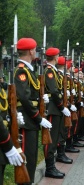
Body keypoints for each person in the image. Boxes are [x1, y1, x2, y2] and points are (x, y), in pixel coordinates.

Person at [14, 38, 52, 183]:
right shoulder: (21, 71)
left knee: (32, 157)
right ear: (30, 51)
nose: (35, 51)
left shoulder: (29, 70)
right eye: (35, 49)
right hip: (27, 120)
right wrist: (38, 117)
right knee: (27, 159)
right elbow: (24, 98)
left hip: (31, 120)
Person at [43, 48, 71, 179]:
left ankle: (52, 165)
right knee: (51, 139)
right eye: (58, 55)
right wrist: (61, 107)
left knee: (56, 138)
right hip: (53, 109)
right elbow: (54, 91)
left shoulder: (53, 71)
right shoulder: (49, 71)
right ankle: (49, 167)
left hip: (56, 108)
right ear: (55, 57)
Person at [55, 56, 74, 164]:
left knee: (64, 130)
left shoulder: (62, 76)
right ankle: (60, 154)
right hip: (59, 106)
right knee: (60, 132)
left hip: (63, 105)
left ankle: (62, 152)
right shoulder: (58, 75)